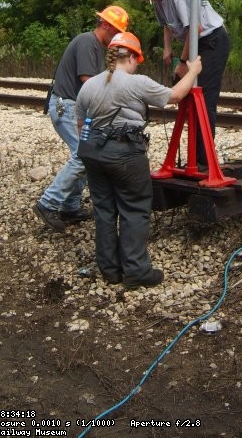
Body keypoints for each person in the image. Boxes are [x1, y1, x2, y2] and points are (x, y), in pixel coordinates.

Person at [76, 31, 202, 288]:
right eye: (137, 59)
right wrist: (192, 71)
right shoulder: (136, 82)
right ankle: (136, 271)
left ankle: (109, 269)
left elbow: (80, 124)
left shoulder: (89, 85)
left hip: (92, 153)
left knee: (104, 209)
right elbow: (175, 95)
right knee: (134, 208)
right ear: (131, 57)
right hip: (125, 154)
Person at [32, 5, 129, 233]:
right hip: (67, 106)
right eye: (116, 31)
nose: (117, 37)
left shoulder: (95, 46)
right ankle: (48, 203)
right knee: (81, 155)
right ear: (105, 25)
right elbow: (88, 81)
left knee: (86, 155)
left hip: (73, 107)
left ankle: (70, 207)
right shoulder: (88, 42)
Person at [123, 0, 229, 166]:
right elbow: (166, 25)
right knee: (190, 96)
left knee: (203, 99)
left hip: (212, 41)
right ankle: (195, 159)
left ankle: (204, 161)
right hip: (196, 43)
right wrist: (168, 49)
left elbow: (194, 29)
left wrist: (181, 63)